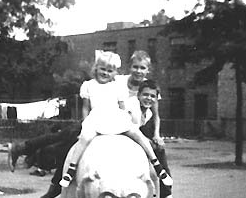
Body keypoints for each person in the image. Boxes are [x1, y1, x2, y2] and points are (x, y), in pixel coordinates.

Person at [59, 51, 172, 188]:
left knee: (140, 136)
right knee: (82, 139)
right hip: (96, 118)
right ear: (96, 68)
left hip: (118, 118)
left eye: (109, 71)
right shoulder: (92, 84)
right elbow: (85, 107)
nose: (106, 73)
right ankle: (70, 170)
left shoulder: (145, 87)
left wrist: (153, 133)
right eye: (102, 69)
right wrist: (85, 124)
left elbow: (124, 107)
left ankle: (158, 168)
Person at [133, 79, 179, 198]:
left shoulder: (149, 112)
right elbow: (130, 129)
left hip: (139, 133)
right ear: (138, 95)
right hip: (127, 134)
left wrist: (156, 135)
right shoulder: (132, 107)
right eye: (145, 95)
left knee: (160, 148)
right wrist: (147, 140)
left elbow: (156, 117)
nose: (149, 98)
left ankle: (167, 195)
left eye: (152, 96)